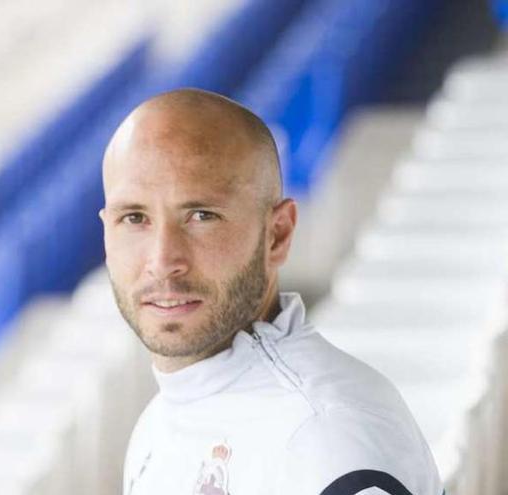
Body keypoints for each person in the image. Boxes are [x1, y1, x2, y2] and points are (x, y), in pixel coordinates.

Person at [99, 88, 443, 495]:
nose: (162, 259)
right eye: (134, 218)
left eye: (201, 215)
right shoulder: (156, 425)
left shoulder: (326, 440)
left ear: (277, 234)